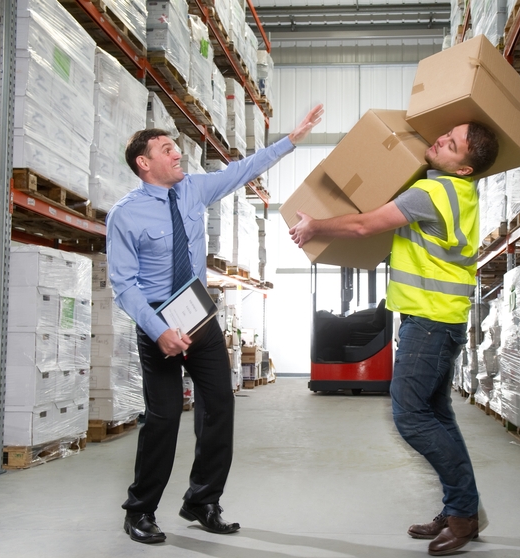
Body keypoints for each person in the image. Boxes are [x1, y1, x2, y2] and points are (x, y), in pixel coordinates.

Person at [107, 104, 324, 544]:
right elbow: (124, 285)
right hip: (158, 324)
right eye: (167, 150)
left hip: (199, 319)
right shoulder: (125, 215)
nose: (177, 156)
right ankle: (140, 511)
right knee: (163, 418)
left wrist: (292, 138)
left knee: (220, 406)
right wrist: (159, 332)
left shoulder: (193, 190)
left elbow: (244, 170)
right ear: (144, 164)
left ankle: (203, 500)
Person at [288, 122, 498, 556]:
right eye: (447, 134)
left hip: (430, 323)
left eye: (451, 144)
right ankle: (462, 507)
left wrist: (315, 227)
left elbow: (366, 226)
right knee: (438, 415)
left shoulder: (432, 194)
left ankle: (463, 517)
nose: (439, 139)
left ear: (464, 168)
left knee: (410, 416)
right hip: (442, 321)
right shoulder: (459, 192)